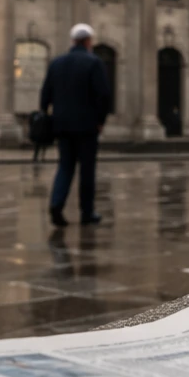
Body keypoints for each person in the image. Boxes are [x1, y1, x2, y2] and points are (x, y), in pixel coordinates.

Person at [39, 23, 112, 227]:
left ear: (73, 41)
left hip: (62, 125)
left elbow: (45, 95)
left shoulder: (57, 63)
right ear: (88, 41)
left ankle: (56, 204)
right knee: (87, 169)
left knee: (65, 166)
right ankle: (86, 212)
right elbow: (104, 95)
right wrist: (100, 120)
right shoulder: (94, 62)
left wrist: (48, 115)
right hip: (87, 126)